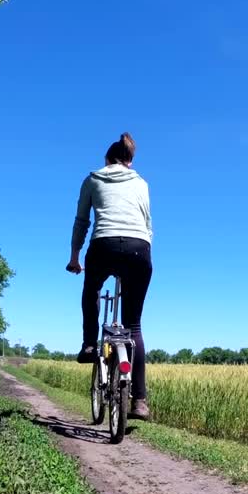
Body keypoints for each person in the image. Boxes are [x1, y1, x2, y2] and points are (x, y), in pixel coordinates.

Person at [66, 132, 153, 420]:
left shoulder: (92, 179)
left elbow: (81, 221)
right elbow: (147, 225)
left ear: (107, 159)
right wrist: (142, 255)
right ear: (129, 161)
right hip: (139, 249)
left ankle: (90, 344)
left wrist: (75, 258)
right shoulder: (142, 183)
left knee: (91, 288)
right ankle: (140, 401)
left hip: (103, 245)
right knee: (134, 326)